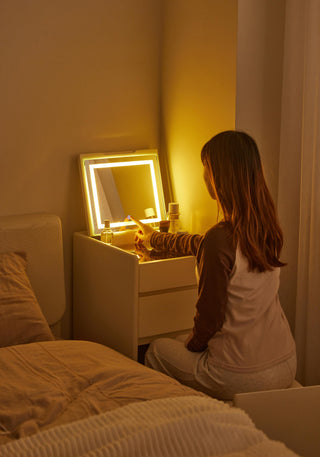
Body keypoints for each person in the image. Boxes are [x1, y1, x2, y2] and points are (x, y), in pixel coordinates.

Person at [132, 130, 296, 401]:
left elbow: (209, 319)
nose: (204, 177)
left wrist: (192, 344)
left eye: (206, 169)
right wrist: (155, 238)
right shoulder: (266, 227)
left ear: (218, 178)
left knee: (157, 350)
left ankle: (193, 424)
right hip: (286, 362)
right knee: (182, 343)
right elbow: (201, 244)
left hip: (243, 375)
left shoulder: (220, 239)